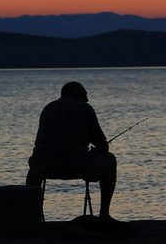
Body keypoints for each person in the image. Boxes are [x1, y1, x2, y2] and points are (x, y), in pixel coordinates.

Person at [26, 81, 117, 219]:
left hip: (43, 167)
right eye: (85, 95)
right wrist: (95, 151)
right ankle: (104, 214)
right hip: (76, 166)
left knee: (33, 170)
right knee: (110, 160)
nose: (87, 99)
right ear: (78, 95)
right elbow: (103, 146)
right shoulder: (85, 109)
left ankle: (33, 215)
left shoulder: (48, 108)